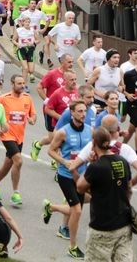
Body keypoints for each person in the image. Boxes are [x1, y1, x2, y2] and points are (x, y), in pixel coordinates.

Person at [74, 126, 134, 262]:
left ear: (94, 144)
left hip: (102, 227)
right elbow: (129, 189)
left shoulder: (96, 167)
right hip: (123, 224)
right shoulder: (123, 161)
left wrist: (90, 163)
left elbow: (80, 187)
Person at [44, 99, 91, 259]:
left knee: (78, 208)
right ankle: (72, 247)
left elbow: (93, 150)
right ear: (72, 113)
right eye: (80, 111)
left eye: (85, 111)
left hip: (82, 176)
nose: (83, 114)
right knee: (76, 211)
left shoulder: (90, 130)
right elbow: (51, 151)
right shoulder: (63, 132)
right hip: (65, 175)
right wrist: (64, 162)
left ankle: (51, 208)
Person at [0, 74, 36, 207]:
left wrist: (32, 120)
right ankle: (16, 193)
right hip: (7, 135)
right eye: (19, 83)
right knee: (19, 160)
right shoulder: (3, 99)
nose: (22, 86)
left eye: (23, 83)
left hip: (19, 137)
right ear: (12, 84)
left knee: (9, 163)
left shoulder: (27, 98)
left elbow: (33, 114)